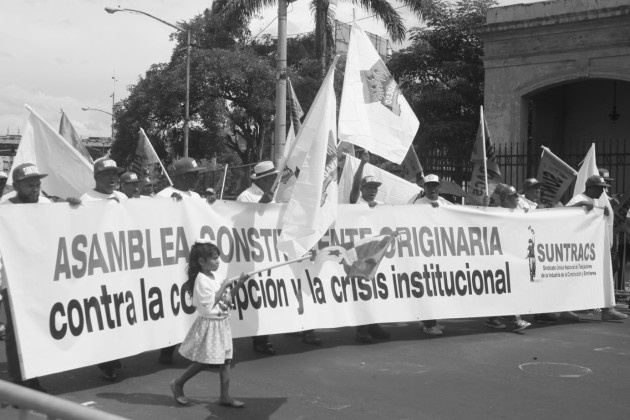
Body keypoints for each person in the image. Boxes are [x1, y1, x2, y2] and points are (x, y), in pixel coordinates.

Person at [237, 161, 323, 351]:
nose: (275, 181)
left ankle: (294, 327)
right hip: (257, 254)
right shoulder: (246, 196)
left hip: (277, 252)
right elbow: (241, 220)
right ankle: (260, 341)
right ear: (264, 179)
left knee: (284, 290)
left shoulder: (275, 195)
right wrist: (262, 205)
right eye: (271, 178)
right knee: (261, 296)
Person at [169, 239, 248, 408]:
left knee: (226, 360)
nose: (218, 261)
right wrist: (224, 285)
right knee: (205, 360)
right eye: (214, 258)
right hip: (211, 324)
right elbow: (208, 304)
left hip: (222, 323)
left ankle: (224, 396)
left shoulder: (216, 276)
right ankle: (178, 383)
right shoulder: (201, 280)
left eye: (218, 257)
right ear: (202, 262)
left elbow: (226, 298)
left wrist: (239, 284)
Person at [0, 163, 53, 392]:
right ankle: (19, 381)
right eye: (30, 184)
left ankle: (33, 372)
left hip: (40, 278)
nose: (35, 188)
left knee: (37, 326)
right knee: (15, 330)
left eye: (38, 183)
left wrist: (72, 208)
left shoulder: (46, 204)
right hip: (13, 279)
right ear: (17, 186)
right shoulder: (4, 207)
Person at [156, 158, 213, 364]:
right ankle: (167, 349)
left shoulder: (196, 196)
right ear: (179, 176)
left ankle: (196, 348)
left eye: (197, 174)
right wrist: (167, 206)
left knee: (195, 303)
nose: (196, 178)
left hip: (193, 260)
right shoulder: (162, 196)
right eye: (192, 174)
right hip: (172, 260)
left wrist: (210, 204)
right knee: (173, 305)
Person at [80, 157, 127, 380]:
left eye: (115, 175)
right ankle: (106, 359)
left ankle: (113, 356)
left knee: (118, 314)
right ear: (96, 177)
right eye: (107, 175)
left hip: (121, 266)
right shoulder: (85, 200)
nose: (112, 178)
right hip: (98, 267)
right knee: (103, 314)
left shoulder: (123, 197)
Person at [567, 174, 627, 321]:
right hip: (582, 250)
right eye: (600, 188)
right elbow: (564, 213)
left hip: (594, 249)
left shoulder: (593, 200)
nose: (602, 191)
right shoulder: (579, 199)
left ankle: (606, 308)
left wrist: (600, 213)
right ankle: (569, 308)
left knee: (603, 276)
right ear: (591, 188)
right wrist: (579, 206)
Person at [348, 152, 391, 343]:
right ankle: (361, 329)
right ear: (363, 189)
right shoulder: (355, 204)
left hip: (377, 257)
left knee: (374, 294)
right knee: (362, 292)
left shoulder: (381, 206)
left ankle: (374, 326)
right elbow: (354, 189)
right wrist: (362, 165)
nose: (373, 190)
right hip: (360, 256)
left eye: (375, 187)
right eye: (370, 187)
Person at [484, 184, 532, 332]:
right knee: (507, 288)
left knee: (505, 289)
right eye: (512, 196)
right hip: (498, 257)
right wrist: (483, 207)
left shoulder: (520, 210)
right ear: (504, 199)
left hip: (515, 256)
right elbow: (480, 220)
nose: (516, 198)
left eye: (516, 195)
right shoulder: (494, 211)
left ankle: (493, 317)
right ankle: (516, 320)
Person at [411, 174, 449, 336]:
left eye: (435, 186)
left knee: (435, 289)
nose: (432, 189)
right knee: (427, 288)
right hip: (424, 253)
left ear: (439, 187)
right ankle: (428, 324)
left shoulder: (443, 203)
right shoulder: (419, 204)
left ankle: (428, 320)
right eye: (429, 186)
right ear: (424, 188)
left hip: (439, 253)